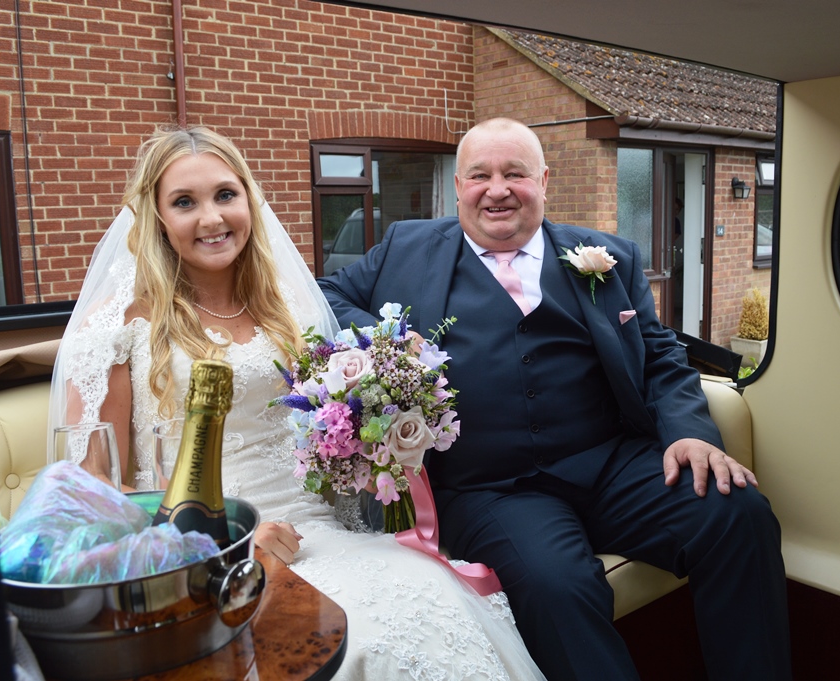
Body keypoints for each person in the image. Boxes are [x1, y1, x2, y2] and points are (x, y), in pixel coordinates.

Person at [49, 126, 547, 680]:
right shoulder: (116, 331)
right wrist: (220, 542)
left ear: (249, 201)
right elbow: (92, 491)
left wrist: (372, 436)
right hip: (203, 560)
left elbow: (319, 434)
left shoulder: (286, 310)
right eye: (184, 202)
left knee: (435, 601)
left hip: (320, 532)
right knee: (355, 644)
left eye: (225, 195)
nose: (212, 218)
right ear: (156, 218)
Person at [319, 117, 792, 680]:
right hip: (492, 488)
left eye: (515, 173)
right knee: (557, 585)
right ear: (458, 189)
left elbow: (661, 354)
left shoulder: (609, 256)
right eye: (480, 175)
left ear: (543, 180)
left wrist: (690, 432)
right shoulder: (406, 246)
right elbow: (328, 293)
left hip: (611, 462)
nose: (498, 189)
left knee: (737, 514)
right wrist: (389, 343)